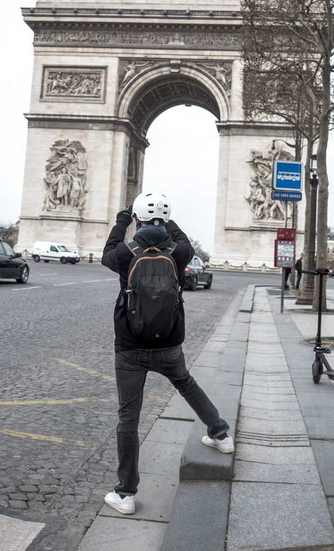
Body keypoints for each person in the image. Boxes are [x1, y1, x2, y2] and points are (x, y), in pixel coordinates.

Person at [101, 191, 234, 515]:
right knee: (186, 384)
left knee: (128, 418)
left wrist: (123, 220)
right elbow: (180, 238)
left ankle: (126, 493)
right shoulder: (180, 252)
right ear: (165, 219)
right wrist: (168, 220)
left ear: (137, 218)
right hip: (168, 343)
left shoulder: (125, 252)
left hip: (130, 346)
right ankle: (220, 433)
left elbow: (106, 252)